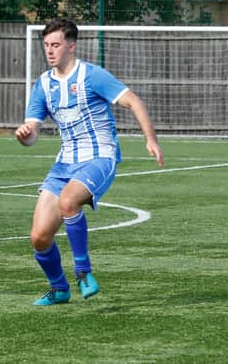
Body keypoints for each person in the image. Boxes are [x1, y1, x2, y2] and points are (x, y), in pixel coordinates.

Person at [15, 18, 164, 306]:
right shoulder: (44, 84)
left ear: (71, 46)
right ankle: (59, 289)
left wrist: (151, 140)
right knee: (39, 238)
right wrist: (25, 135)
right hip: (64, 164)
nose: (49, 50)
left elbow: (134, 101)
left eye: (55, 44)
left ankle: (83, 272)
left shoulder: (92, 75)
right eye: (46, 45)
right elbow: (32, 133)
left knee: (69, 201)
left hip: (99, 157)